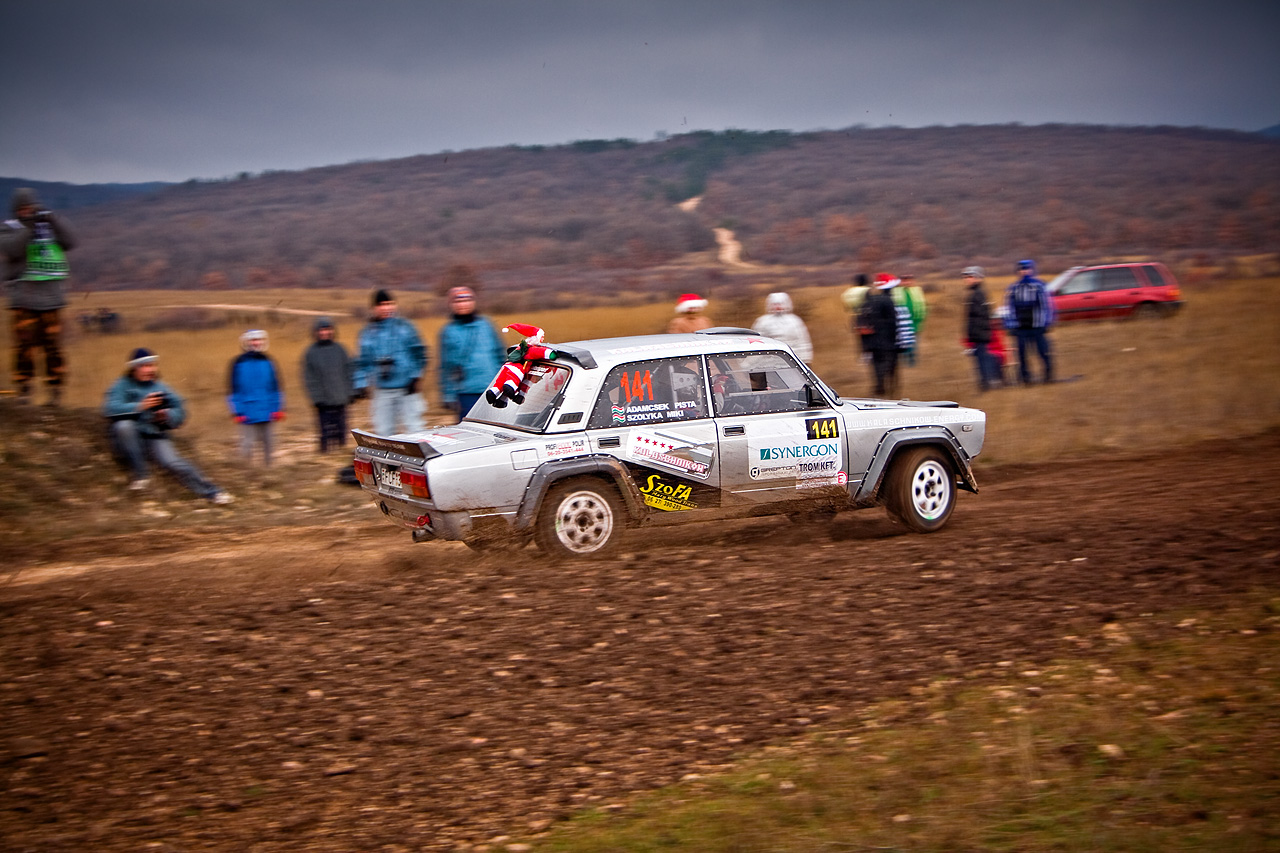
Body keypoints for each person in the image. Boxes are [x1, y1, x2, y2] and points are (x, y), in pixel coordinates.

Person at [102, 348, 232, 503]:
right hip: (130, 437)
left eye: (151, 365)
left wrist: (167, 415)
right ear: (134, 368)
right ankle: (141, 475)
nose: (148, 370)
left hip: (155, 435)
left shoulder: (160, 387)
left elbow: (180, 409)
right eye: (144, 366)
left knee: (173, 462)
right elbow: (110, 408)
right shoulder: (121, 385)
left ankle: (213, 492)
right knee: (123, 426)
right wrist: (139, 406)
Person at [2, 188, 77, 405]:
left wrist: (52, 220)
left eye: (31, 208)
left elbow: (71, 242)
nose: (28, 212)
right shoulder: (8, 228)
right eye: (23, 209)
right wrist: (29, 227)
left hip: (52, 298)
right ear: (16, 210)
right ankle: (24, 390)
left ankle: (55, 392)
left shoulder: (50, 227)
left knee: (53, 347)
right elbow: (13, 250)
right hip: (23, 298)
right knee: (24, 347)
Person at [353, 289, 428, 435]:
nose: (386, 308)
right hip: (382, 391)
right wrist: (360, 384)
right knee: (384, 432)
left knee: (415, 430)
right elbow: (362, 362)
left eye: (389, 304)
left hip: (408, 389)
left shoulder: (405, 327)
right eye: (381, 305)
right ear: (374, 308)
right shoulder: (367, 333)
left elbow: (420, 353)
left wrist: (415, 376)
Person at [437, 285, 506, 420]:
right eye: (458, 301)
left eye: (467, 300)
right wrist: (448, 395)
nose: (463, 304)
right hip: (465, 392)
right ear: (451, 304)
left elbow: (500, 355)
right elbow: (445, 367)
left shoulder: (486, 324)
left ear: (473, 302)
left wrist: (507, 383)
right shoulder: (448, 331)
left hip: (493, 388)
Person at [227, 329, 284, 465]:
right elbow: (233, 390)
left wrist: (277, 408)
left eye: (259, 340)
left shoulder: (269, 361)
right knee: (247, 445)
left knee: (269, 444)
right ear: (246, 342)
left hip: (267, 410)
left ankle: (269, 473)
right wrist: (237, 411)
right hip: (247, 412)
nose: (256, 343)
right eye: (253, 340)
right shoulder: (238, 363)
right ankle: (247, 475)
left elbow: (275, 387)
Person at [302, 316, 353, 453]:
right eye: (321, 330)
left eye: (327, 329)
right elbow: (309, 378)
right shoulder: (311, 352)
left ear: (332, 331)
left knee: (342, 429)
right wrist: (316, 398)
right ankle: (325, 455)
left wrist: (350, 393)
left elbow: (349, 372)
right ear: (316, 332)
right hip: (323, 401)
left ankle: (340, 453)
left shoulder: (340, 349)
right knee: (324, 431)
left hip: (341, 398)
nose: (324, 333)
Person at [1004, 259, 1055, 384]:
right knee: (1021, 355)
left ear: (1032, 269)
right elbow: (1010, 308)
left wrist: (1047, 321)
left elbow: (1046, 306)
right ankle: (1025, 378)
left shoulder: (1039, 286)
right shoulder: (1014, 288)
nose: (1024, 271)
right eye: (1022, 269)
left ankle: (1048, 376)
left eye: (1027, 269)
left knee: (1042, 352)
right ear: (1018, 271)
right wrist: (1010, 325)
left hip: (1037, 326)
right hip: (1021, 328)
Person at [857, 273, 904, 397]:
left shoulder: (869, 300)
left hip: (872, 342)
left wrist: (864, 347)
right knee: (890, 368)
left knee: (877, 365)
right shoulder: (889, 301)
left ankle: (879, 385)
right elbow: (894, 324)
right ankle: (891, 393)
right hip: (888, 342)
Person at [960, 266, 1001, 392]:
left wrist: (976, 334)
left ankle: (987, 385)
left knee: (982, 361)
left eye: (970, 277)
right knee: (981, 361)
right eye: (966, 277)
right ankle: (986, 384)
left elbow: (981, 317)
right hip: (979, 335)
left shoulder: (977, 295)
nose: (967, 280)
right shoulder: (977, 295)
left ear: (978, 278)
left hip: (980, 336)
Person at [751, 291, 813, 363]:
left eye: (780, 303)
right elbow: (756, 343)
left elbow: (802, 343)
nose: (777, 307)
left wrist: (806, 360)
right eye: (775, 304)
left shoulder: (795, 321)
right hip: (770, 363)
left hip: (793, 362)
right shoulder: (763, 322)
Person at [894, 274, 928, 365]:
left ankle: (912, 359)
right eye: (904, 280)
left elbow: (922, 304)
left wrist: (922, 317)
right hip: (902, 321)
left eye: (909, 280)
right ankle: (905, 358)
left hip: (915, 320)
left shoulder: (917, 290)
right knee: (903, 340)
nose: (907, 282)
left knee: (914, 340)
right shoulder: (896, 291)